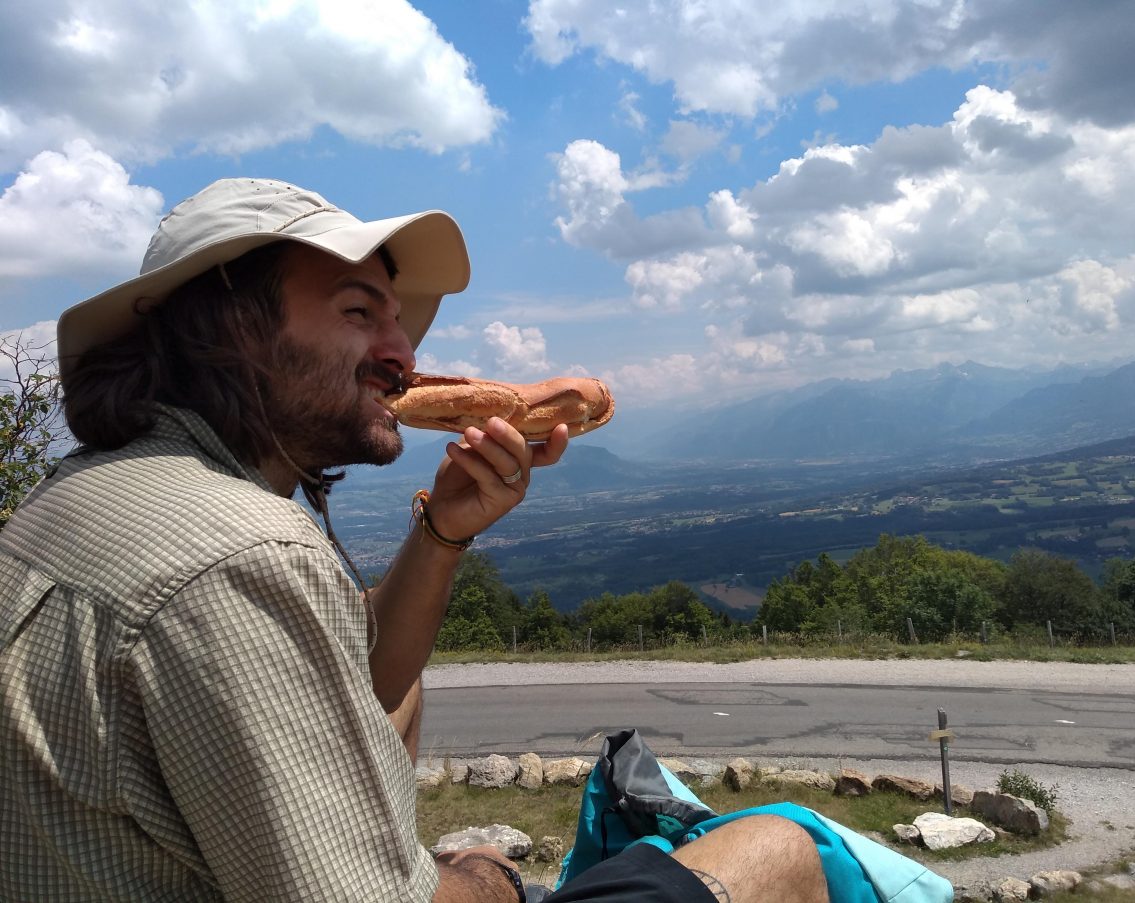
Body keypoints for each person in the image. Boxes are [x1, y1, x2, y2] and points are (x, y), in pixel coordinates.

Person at [0, 178, 829, 902]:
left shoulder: (77, 493)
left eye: (398, 320)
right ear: (228, 330)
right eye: (360, 312)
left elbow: (362, 676)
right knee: (780, 849)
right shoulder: (245, 552)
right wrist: (485, 879)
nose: (405, 354)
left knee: (401, 691)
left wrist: (442, 532)